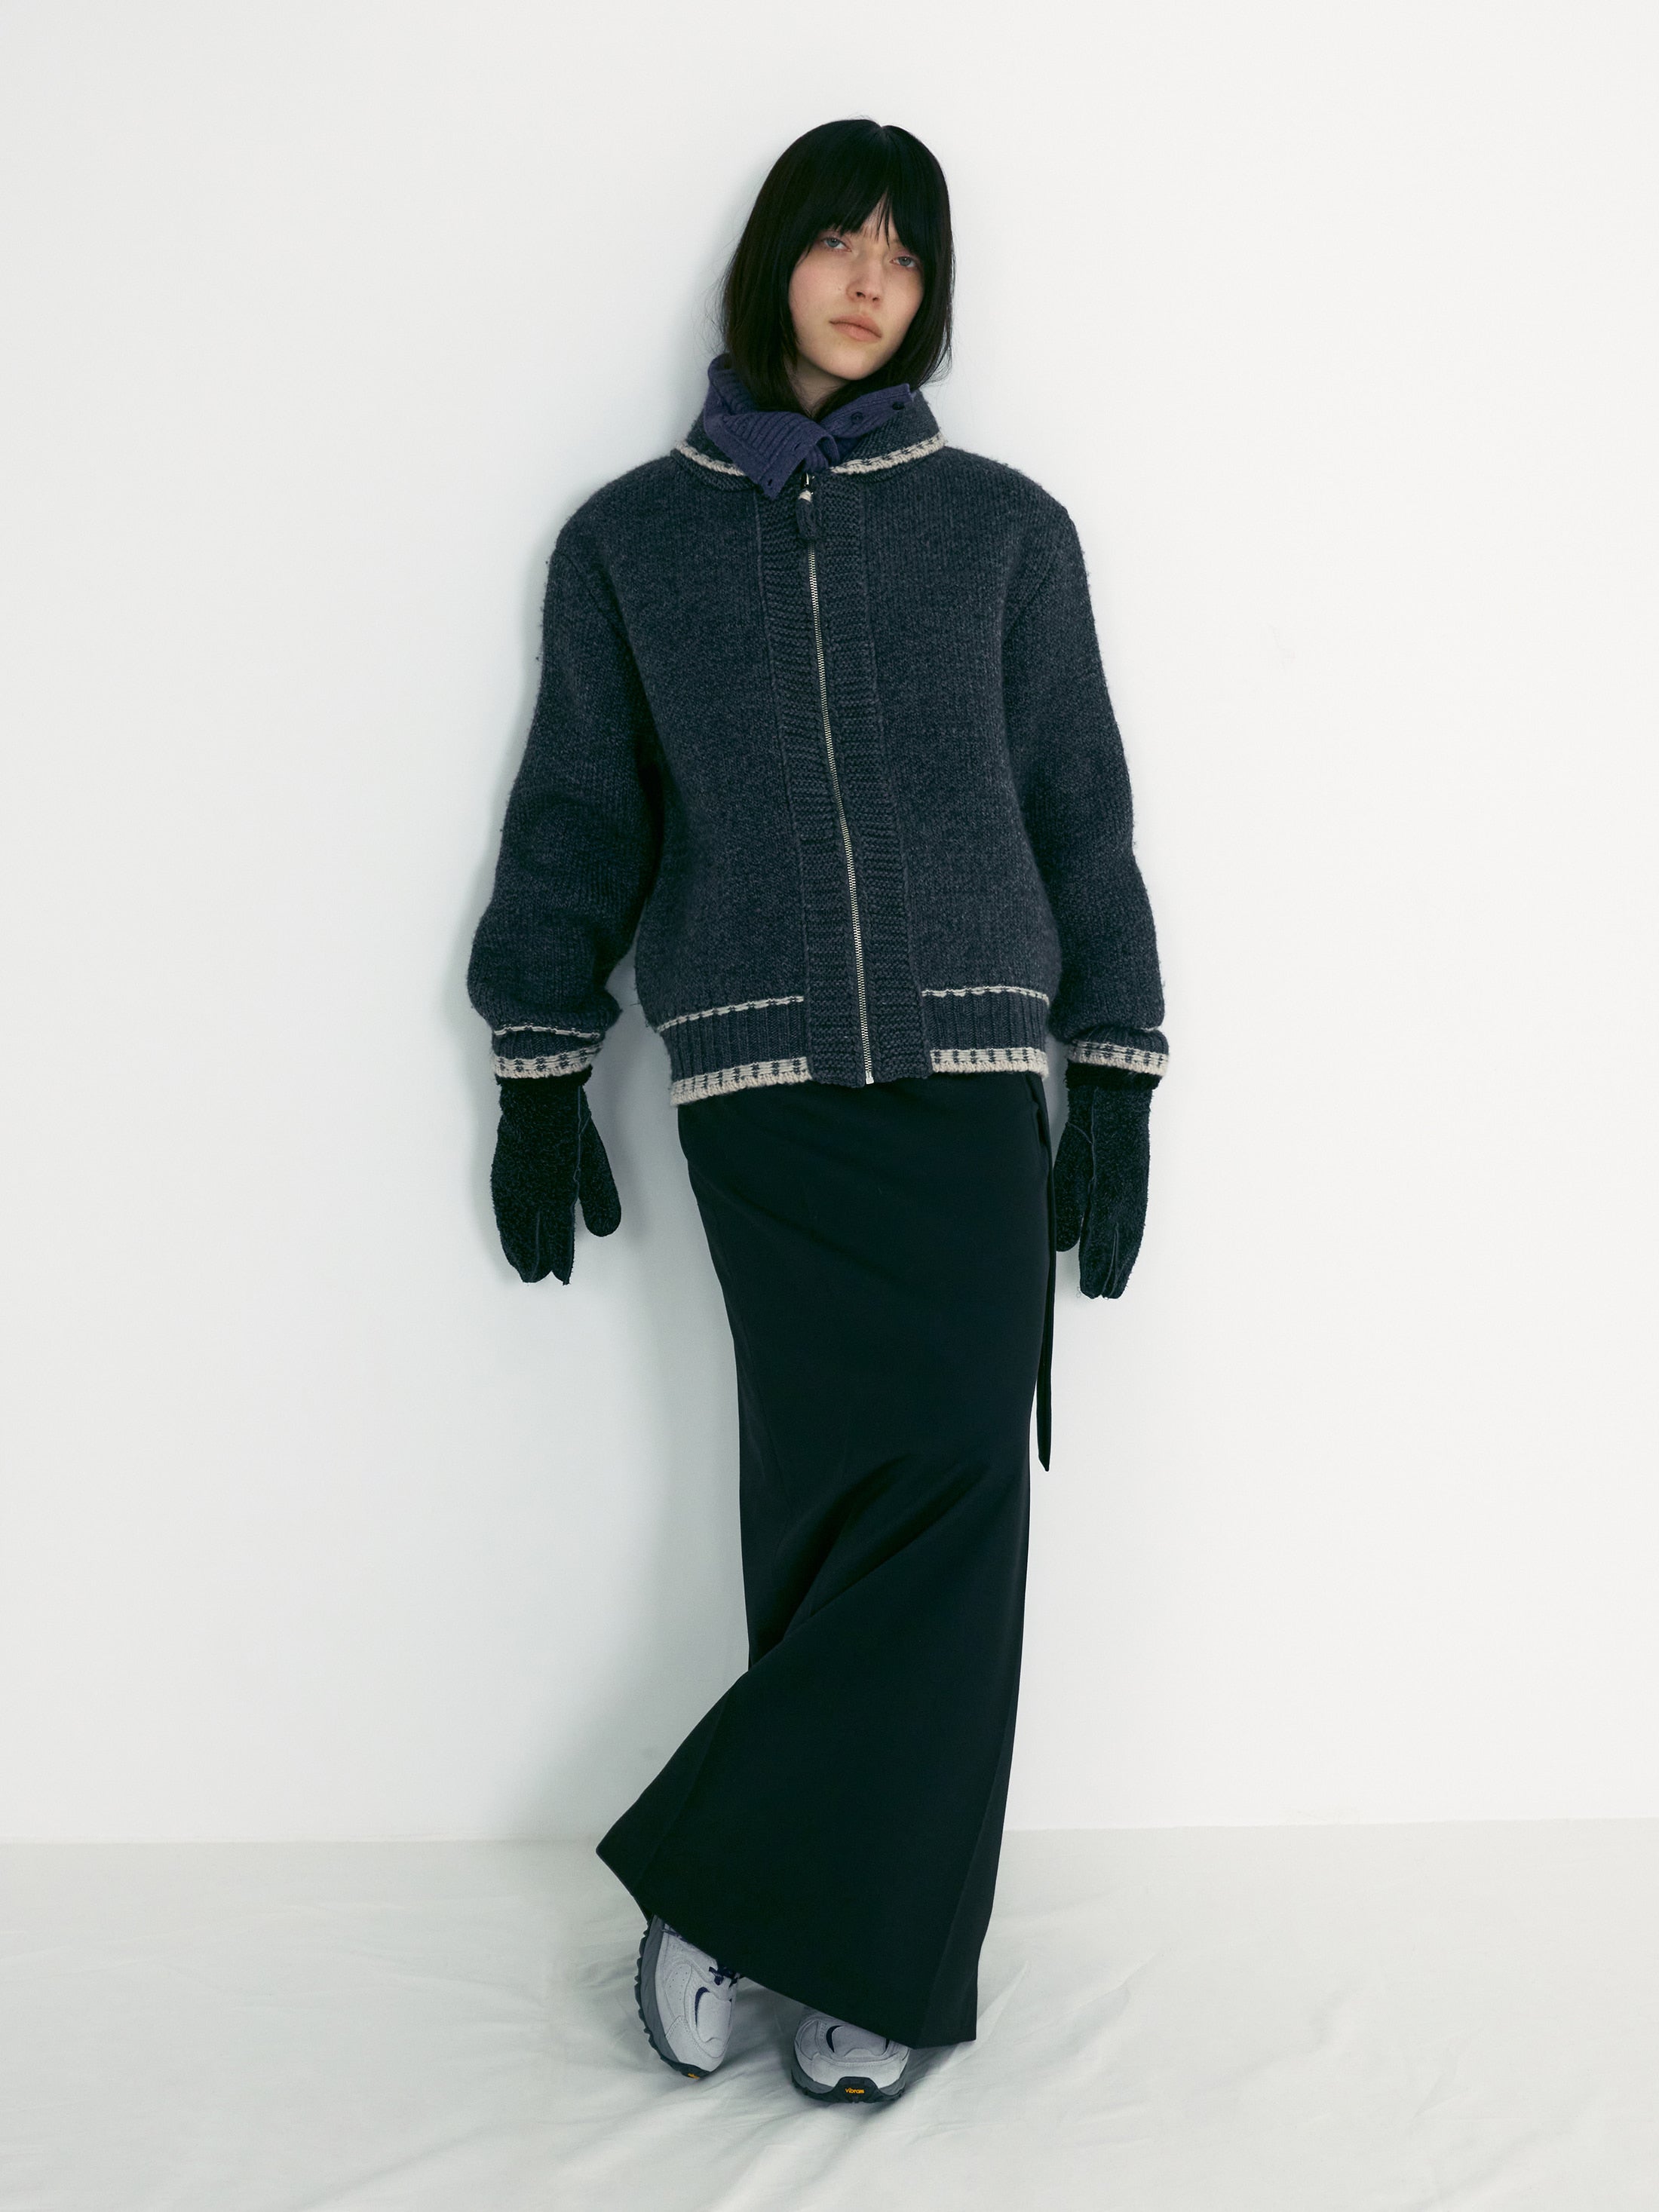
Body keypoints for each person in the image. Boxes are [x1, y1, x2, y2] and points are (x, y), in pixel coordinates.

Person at [466, 117, 1168, 2105]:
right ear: (773, 259)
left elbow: (1080, 806)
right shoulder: (631, 543)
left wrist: (1115, 1064)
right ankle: (833, 1931)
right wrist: (539, 1062)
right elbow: (583, 811)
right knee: (826, 1508)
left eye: (906, 252)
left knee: (959, 1493)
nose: (871, 279)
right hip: (763, 1088)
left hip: (969, 1078)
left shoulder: (1004, 530)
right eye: (839, 241)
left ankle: (755, 1910)